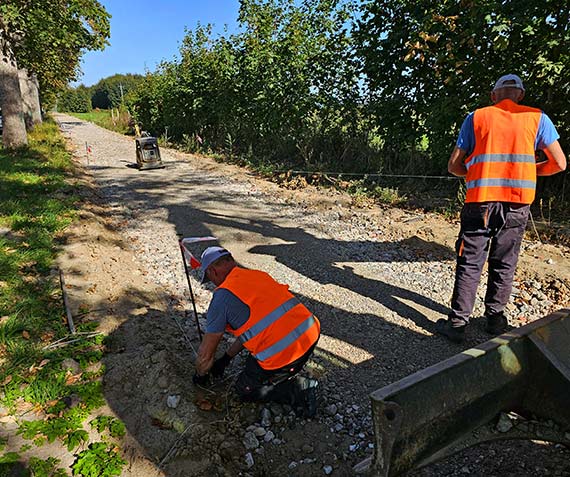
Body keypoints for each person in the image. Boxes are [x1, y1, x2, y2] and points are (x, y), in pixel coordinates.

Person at [436, 74, 567, 343]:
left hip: (480, 201)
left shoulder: (477, 117)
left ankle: (458, 324)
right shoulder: (537, 117)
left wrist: (473, 173)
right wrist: (530, 171)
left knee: (470, 262)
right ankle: (495, 320)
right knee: (505, 261)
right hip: (517, 203)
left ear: (493, 95)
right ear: (520, 95)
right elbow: (559, 163)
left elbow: (453, 165)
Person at [192, 246, 321, 417]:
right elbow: (252, 328)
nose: (213, 284)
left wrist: (200, 376)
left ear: (212, 271)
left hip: (287, 354)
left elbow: (205, 355)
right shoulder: (257, 276)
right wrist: (226, 359)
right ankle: (286, 373)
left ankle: (297, 389)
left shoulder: (222, 298)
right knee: (258, 363)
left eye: (209, 278)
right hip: (311, 334)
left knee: (245, 390)